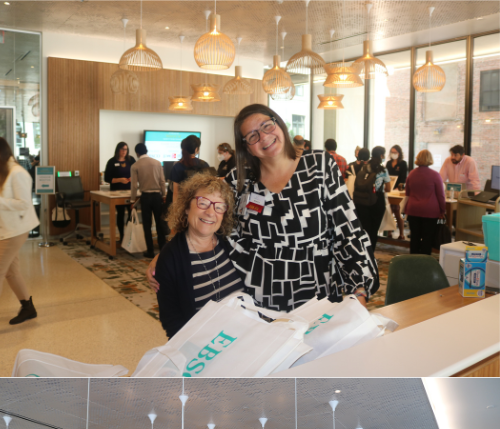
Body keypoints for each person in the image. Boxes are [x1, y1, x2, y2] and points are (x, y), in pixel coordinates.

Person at [174, 106, 377, 312]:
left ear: (278, 123)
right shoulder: (239, 179)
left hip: (317, 292)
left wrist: (358, 288)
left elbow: (348, 229)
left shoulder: (319, 166)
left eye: (267, 126)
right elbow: (211, 224)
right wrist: (170, 255)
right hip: (258, 295)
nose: (263, 137)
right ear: (246, 146)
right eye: (252, 135)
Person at [153, 172, 245, 339]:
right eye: (203, 203)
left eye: (219, 207)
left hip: (246, 336)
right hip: (205, 349)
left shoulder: (231, 244)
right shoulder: (170, 258)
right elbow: (172, 322)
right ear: (187, 207)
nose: (211, 212)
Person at [0, 136, 39, 339]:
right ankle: (28, 308)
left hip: (15, 229)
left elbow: (23, 204)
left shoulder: (18, 173)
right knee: (11, 270)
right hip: (0, 226)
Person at [130, 141, 169, 258]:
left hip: (145, 197)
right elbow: (162, 181)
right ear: (146, 150)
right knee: (159, 223)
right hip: (157, 197)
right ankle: (163, 249)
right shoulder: (157, 163)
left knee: (147, 225)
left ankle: (150, 251)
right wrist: (164, 196)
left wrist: (132, 201)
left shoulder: (135, 165)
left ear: (137, 153)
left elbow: (134, 185)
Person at [405, 149, 446, 255]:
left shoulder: (411, 174)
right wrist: (442, 210)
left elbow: (407, 193)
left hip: (413, 210)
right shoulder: (435, 175)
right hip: (430, 211)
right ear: (430, 159)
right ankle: (425, 262)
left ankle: (413, 260)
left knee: (415, 237)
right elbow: (441, 195)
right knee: (427, 238)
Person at [351, 146, 389, 255]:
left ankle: (362, 251)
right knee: (374, 229)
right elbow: (388, 188)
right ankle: (370, 252)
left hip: (360, 201)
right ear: (381, 155)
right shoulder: (382, 169)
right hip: (376, 201)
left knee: (364, 227)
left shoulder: (363, 167)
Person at [104, 141, 135, 238]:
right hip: (117, 193)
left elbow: (137, 173)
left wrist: (132, 178)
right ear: (118, 150)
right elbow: (107, 178)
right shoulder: (112, 161)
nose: (124, 151)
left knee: (132, 214)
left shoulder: (131, 160)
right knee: (120, 214)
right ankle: (122, 235)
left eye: (126, 149)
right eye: (122, 149)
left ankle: (129, 236)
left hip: (130, 192)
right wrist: (119, 180)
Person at [168, 134, 209, 207]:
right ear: (196, 149)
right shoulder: (204, 164)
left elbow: (175, 193)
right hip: (200, 204)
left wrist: (175, 210)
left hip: (183, 205)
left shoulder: (177, 166)